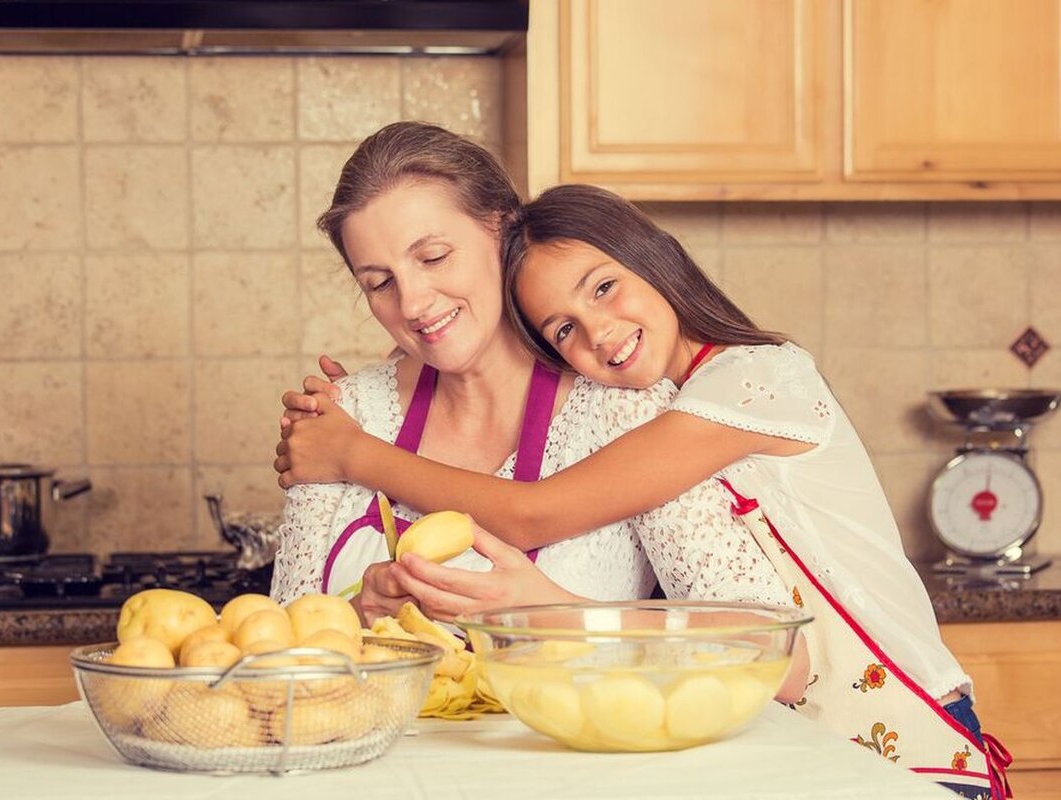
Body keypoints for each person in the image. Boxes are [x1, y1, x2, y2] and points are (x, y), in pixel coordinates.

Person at [275, 184, 1011, 800]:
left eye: (605, 287)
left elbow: (537, 511)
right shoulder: (668, 393)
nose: (598, 333)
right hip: (806, 748)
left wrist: (357, 454)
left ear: (652, 255)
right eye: (562, 329)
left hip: (911, 739)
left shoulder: (749, 382)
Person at [270, 124, 789, 668]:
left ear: (503, 229)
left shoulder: (626, 408)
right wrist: (357, 618)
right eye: (379, 283)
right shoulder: (339, 417)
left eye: (434, 257)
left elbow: (767, 654)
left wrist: (551, 613)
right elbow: (273, 656)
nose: (414, 303)